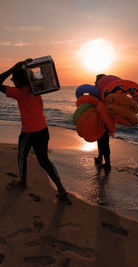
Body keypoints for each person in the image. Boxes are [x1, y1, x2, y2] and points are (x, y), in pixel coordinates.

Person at [0, 59, 71, 204]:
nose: (12, 82)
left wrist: (13, 67)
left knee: (21, 156)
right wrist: (27, 68)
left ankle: (23, 182)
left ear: (19, 81)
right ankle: (61, 189)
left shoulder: (19, 93)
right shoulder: (36, 88)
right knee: (44, 161)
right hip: (43, 130)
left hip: (29, 133)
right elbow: (44, 75)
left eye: (14, 79)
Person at [94, 74, 111, 171]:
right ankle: (100, 157)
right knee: (100, 140)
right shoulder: (96, 92)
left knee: (104, 142)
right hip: (98, 120)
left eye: (97, 81)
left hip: (104, 121)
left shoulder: (105, 93)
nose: (95, 83)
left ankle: (108, 164)